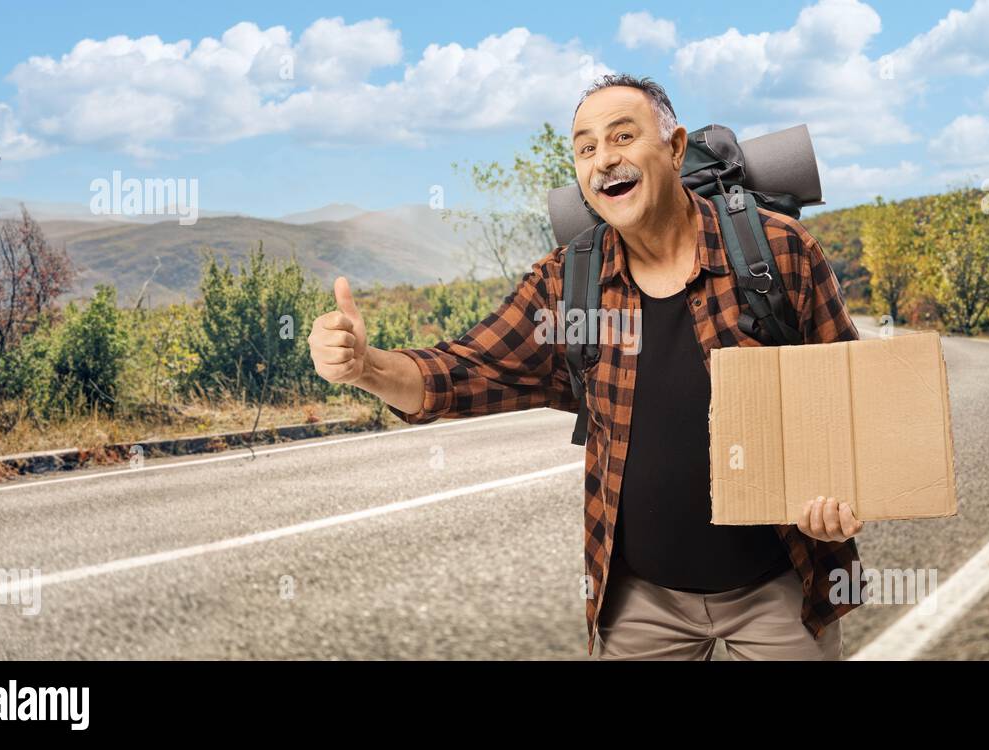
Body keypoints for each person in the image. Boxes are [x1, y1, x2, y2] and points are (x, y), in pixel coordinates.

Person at [307, 73, 865, 660]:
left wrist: (841, 499)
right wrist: (366, 366)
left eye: (623, 137)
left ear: (674, 149)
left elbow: (850, 403)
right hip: (640, 602)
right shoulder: (567, 284)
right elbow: (463, 372)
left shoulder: (776, 251)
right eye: (586, 147)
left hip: (781, 584)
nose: (604, 160)